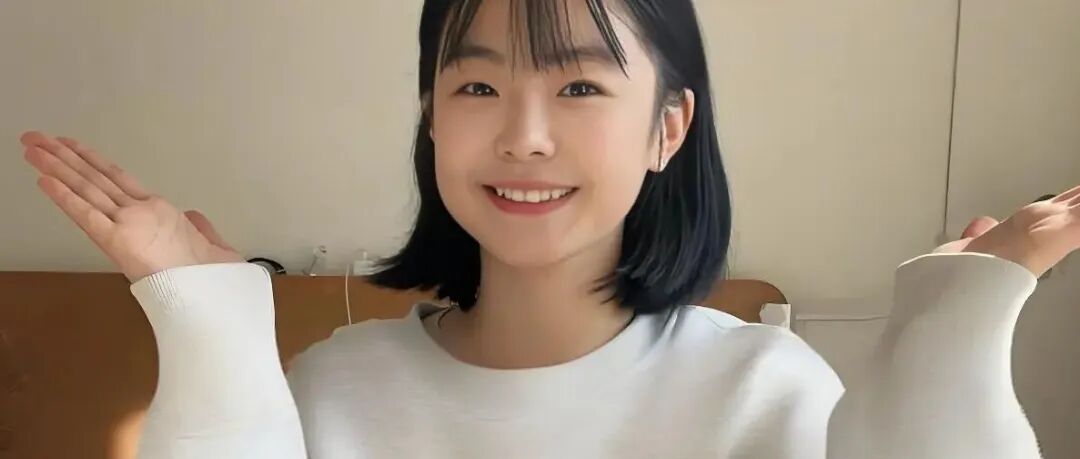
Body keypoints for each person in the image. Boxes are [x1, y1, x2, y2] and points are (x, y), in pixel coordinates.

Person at [17, 0, 1080, 457]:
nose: (523, 137)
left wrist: (952, 322)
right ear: (433, 117)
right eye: (477, 86)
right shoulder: (334, 390)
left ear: (668, 128)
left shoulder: (761, 388)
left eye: (578, 87)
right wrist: (210, 323)